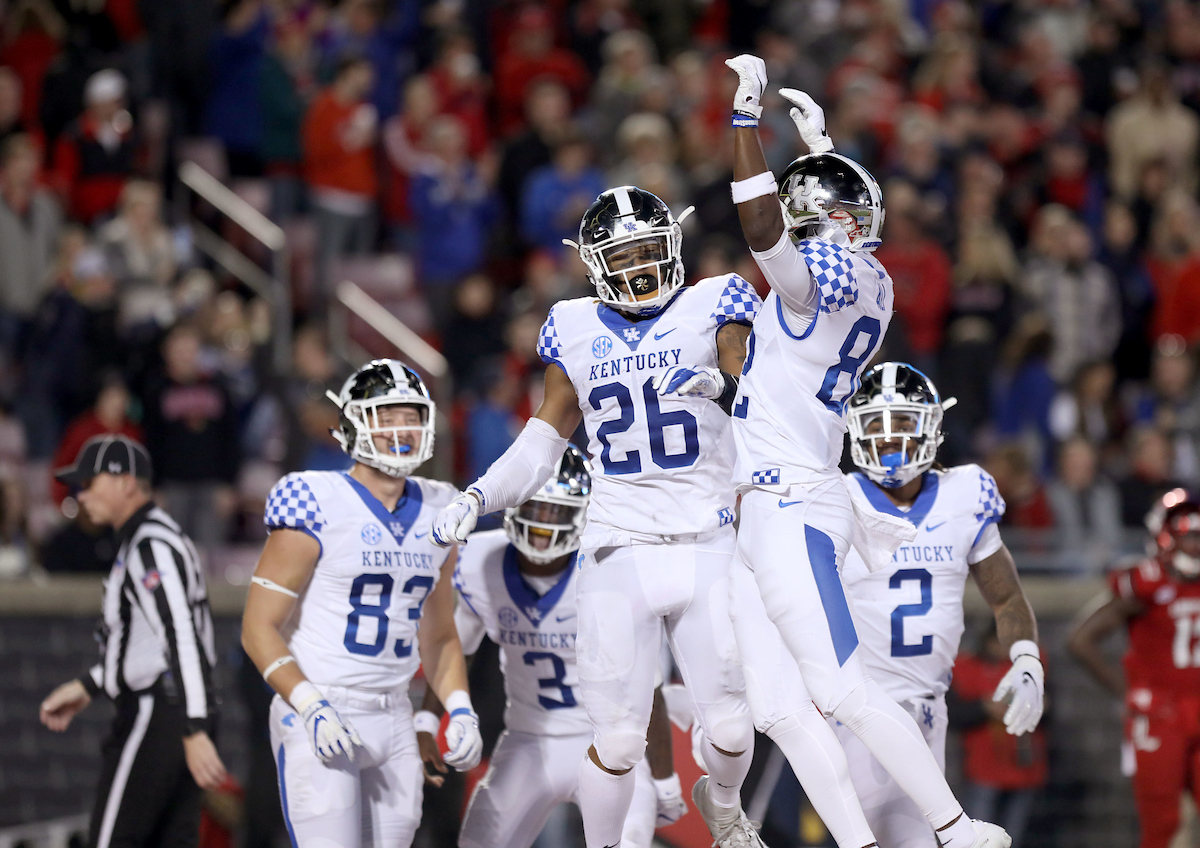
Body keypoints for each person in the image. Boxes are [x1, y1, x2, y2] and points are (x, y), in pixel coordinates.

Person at [719, 54, 1008, 848]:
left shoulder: (839, 274)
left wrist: (747, 121)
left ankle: (953, 827)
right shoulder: (859, 275)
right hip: (759, 506)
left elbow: (762, 228)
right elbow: (804, 230)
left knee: (842, 690)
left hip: (791, 502)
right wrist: (818, 155)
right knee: (778, 707)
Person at [432, 184, 768, 848]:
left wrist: (727, 389)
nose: (638, 264)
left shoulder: (716, 299)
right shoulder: (574, 324)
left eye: (648, 248)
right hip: (620, 543)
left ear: (673, 245)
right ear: (593, 264)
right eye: (622, 254)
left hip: (709, 537)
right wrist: (478, 494)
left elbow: (768, 406)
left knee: (730, 731)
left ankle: (722, 803)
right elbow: (541, 441)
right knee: (616, 737)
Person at [240, 359, 483, 847]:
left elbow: (438, 634)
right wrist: (310, 705)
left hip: (393, 712)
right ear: (353, 423)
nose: (401, 429)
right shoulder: (314, 499)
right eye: (385, 415)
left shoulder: (442, 506)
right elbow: (257, 629)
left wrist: (459, 709)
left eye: (411, 416)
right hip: (321, 702)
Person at [419, 446, 687, 847]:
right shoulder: (479, 561)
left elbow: (648, 688)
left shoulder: (606, 569)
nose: (543, 524)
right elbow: (457, 648)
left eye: (556, 511)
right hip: (529, 738)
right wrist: (428, 719)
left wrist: (664, 779)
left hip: (607, 742)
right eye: (536, 508)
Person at [832, 364, 1043, 846]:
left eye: (902, 422)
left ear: (930, 426)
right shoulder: (835, 498)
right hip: (861, 706)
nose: (888, 438)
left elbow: (1006, 595)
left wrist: (1028, 660)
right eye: (876, 424)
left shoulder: (964, 493)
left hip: (931, 707)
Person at [40, 434, 226, 848]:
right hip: (178, 710)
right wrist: (89, 685)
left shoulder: (151, 546)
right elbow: (147, 643)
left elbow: (181, 635)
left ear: (125, 481)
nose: (81, 494)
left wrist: (194, 726)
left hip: (159, 711)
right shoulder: (152, 539)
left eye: (90, 482)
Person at [1068, 489, 1200, 848]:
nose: (1196, 547)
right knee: (1162, 823)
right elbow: (1080, 639)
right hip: (1160, 712)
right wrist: (1125, 691)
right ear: (1167, 536)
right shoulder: (1145, 583)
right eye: (1190, 537)